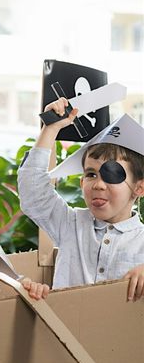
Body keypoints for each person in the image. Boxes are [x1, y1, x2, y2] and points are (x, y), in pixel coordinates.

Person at [18, 102, 144, 299]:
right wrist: (50, 128)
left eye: (112, 174)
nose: (98, 185)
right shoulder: (70, 225)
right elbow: (33, 192)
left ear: (139, 187)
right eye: (91, 174)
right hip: (63, 329)